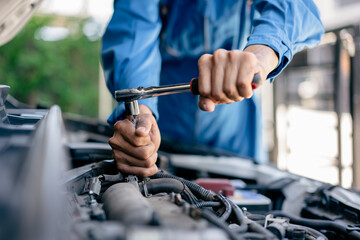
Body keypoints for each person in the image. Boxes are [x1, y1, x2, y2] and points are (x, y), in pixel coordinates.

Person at [101, 0, 324, 177]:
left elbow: (296, 6)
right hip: (160, 137)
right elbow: (134, 30)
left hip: (235, 138)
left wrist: (261, 54)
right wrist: (141, 113)